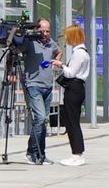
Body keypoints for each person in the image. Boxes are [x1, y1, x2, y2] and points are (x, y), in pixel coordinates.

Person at [17, 18, 60, 164]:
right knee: (40, 118)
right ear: (36, 30)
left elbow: (58, 51)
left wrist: (54, 63)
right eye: (42, 31)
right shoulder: (30, 43)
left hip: (47, 87)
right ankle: (32, 153)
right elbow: (17, 50)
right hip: (33, 85)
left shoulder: (51, 43)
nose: (45, 34)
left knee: (43, 121)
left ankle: (40, 154)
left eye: (48, 31)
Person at [57, 24, 91, 165]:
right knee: (72, 121)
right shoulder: (83, 51)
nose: (65, 37)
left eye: (67, 35)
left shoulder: (79, 53)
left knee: (72, 122)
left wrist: (61, 65)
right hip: (78, 88)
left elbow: (71, 73)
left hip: (74, 87)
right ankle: (76, 152)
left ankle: (77, 153)